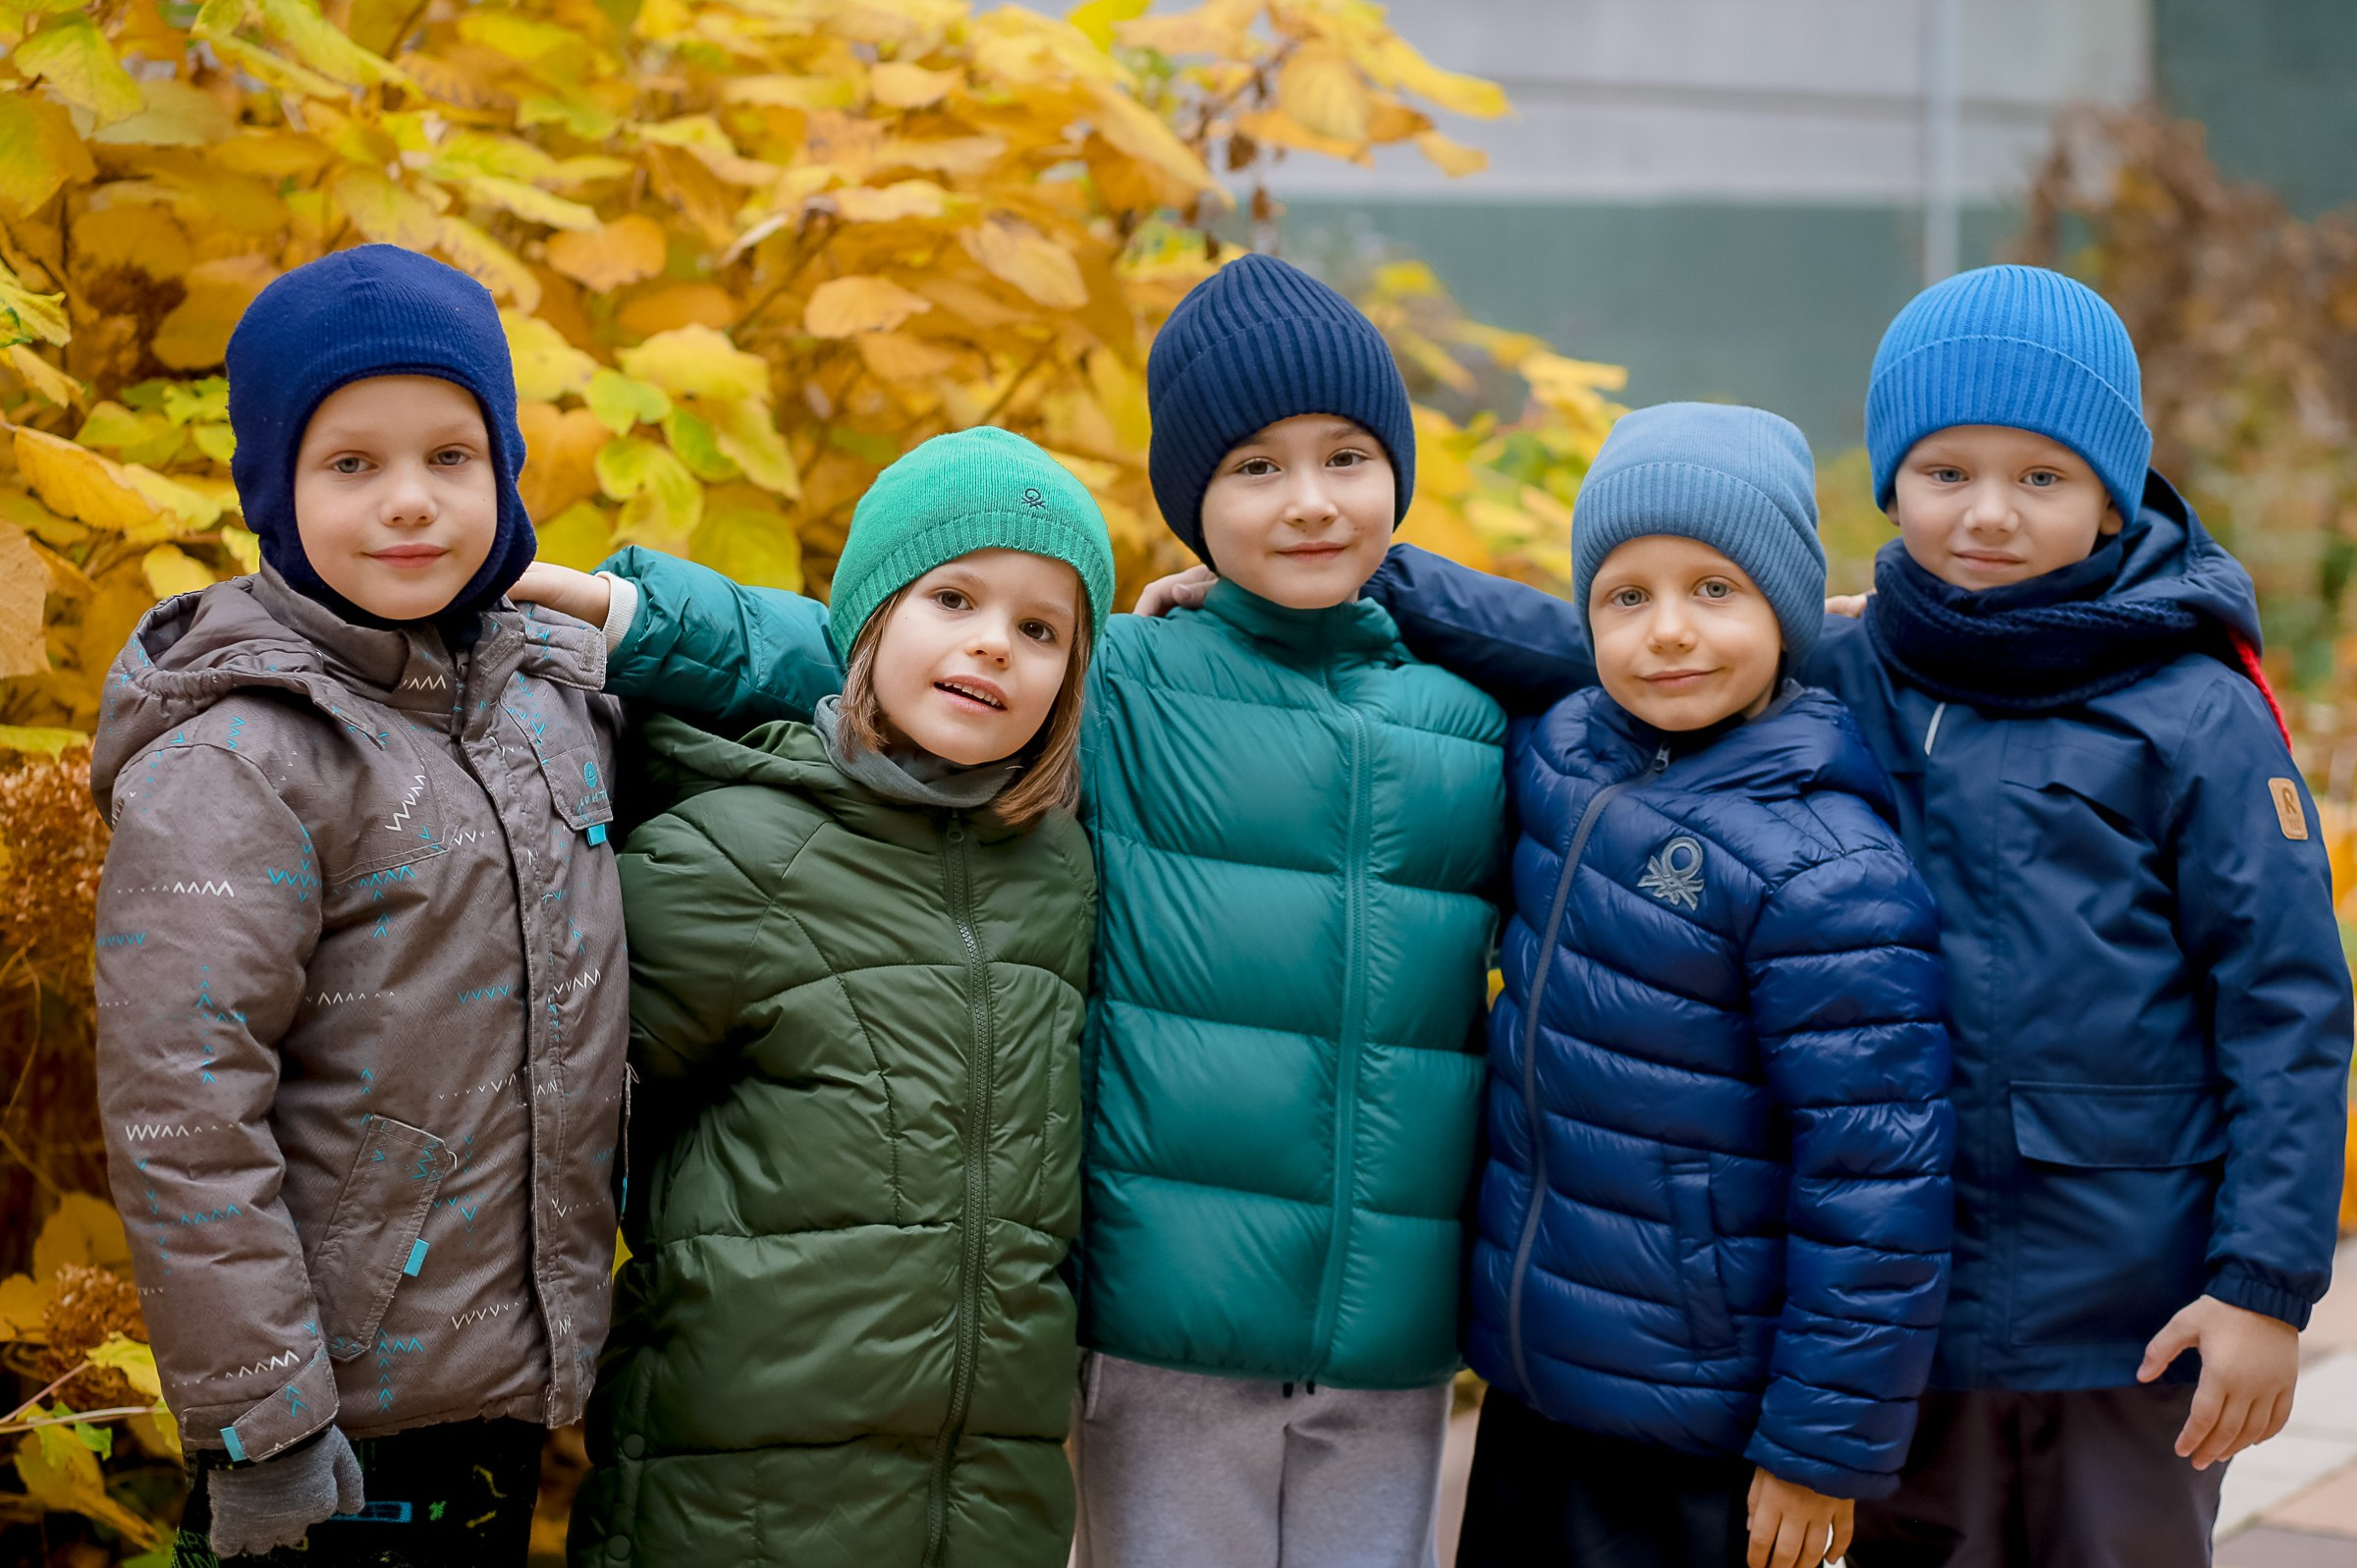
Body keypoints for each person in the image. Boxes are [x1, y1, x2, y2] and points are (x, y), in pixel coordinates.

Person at [1146, 265, 2352, 1568]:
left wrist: (2263, 1284)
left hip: (2124, 1298)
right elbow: (1602, 648)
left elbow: (2285, 1003)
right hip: (1922, 1310)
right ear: (1892, 486)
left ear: (2114, 488)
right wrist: (1352, 580)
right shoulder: (1862, 655)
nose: (1989, 515)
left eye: (2041, 479)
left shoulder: (2191, 708)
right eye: (1947, 474)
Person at [512, 253, 1510, 1567]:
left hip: (1389, 1328)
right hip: (1163, 1316)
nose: (1310, 500)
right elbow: (864, 648)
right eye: (1258, 466)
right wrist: (636, 613)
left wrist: (1809, 634)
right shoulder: (1136, 682)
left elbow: (1633, 684)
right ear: (1193, 501)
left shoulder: (1480, 720)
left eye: (1347, 457)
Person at [89, 245, 628, 1566]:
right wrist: (260, 1423)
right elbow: (184, 1106)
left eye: (452, 457)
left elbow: (858, 693)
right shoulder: (240, 758)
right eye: (352, 465)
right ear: (276, 489)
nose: (411, 504)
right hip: (332, 1413)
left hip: (507, 1374)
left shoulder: (548, 699)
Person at [565, 427, 1111, 1567]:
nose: (993, 645)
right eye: (953, 596)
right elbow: (562, 1124)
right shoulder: (732, 848)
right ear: (863, 624)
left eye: (1040, 628)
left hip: (987, 1491)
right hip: (735, 1488)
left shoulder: (1058, 871)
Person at [1443, 402, 1952, 1568]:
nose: (1668, 632)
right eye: (1628, 597)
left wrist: (1822, 1448)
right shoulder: (1572, 747)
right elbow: (1494, 626)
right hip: (1539, 1374)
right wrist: (1312, 582)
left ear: (1789, 610)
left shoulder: (1825, 865)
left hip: (1693, 1409)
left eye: (1716, 591)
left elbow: (1877, 1178)